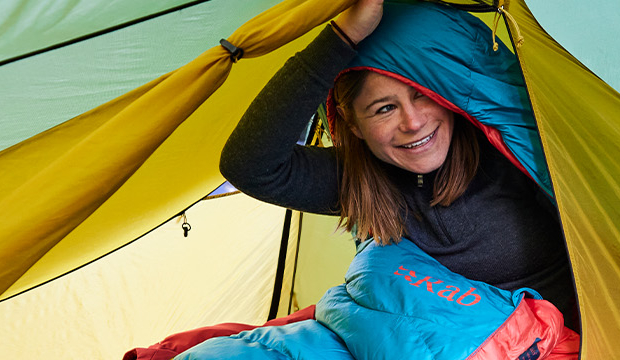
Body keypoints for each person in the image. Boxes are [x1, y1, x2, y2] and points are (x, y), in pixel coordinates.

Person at [219, 0, 580, 331]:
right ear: (353, 123)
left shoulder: (512, 155)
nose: (413, 122)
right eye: (384, 109)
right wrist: (342, 37)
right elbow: (249, 165)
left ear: (447, 94)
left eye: (423, 94)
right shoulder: (359, 180)